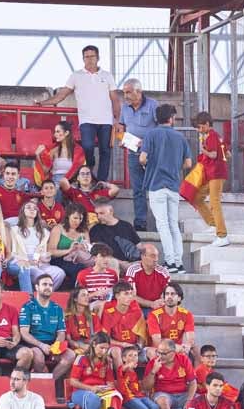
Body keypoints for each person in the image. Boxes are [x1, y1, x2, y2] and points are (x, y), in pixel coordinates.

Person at [35, 45, 120, 181]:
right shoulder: (76, 75)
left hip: (106, 121)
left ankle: (101, 182)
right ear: (83, 59)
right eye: (86, 57)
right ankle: (90, 169)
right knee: (87, 147)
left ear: (98, 58)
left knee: (105, 151)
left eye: (92, 56)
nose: (89, 59)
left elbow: (115, 99)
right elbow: (61, 95)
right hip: (86, 120)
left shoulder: (107, 75)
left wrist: (117, 120)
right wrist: (43, 102)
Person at [139, 103, 190, 272]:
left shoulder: (151, 134)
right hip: (174, 185)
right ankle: (178, 262)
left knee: (163, 225)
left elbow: (143, 158)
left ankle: (170, 262)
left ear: (157, 118)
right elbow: (188, 162)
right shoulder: (180, 138)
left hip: (156, 184)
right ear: (171, 118)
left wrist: (150, 164)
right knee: (173, 224)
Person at [117, 78, 158, 231]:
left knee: (156, 188)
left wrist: (145, 141)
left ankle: (160, 221)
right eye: (124, 92)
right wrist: (121, 138)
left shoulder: (153, 104)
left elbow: (161, 128)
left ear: (139, 92)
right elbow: (121, 126)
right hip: (133, 152)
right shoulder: (125, 108)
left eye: (128, 92)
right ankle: (140, 223)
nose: (125, 96)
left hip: (151, 153)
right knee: (138, 189)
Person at [18, 273, 75, 381]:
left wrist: (56, 346)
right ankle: (41, 384)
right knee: (38, 357)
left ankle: (49, 382)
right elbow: (24, 333)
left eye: (50, 285)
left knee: (70, 355)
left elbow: (61, 332)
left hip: (52, 345)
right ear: (37, 287)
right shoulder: (28, 307)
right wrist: (41, 345)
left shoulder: (57, 308)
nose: (48, 287)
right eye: (44, 284)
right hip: (33, 344)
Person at [189, 111, 229, 245]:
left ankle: (222, 235)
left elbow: (213, 154)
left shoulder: (211, 136)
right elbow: (227, 154)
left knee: (214, 202)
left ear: (207, 124)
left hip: (215, 173)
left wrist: (203, 150)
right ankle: (213, 224)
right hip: (214, 173)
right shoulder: (218, 136)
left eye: (201, 127)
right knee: (197, 197)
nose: (200, 130)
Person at [9, 199, 64, 292]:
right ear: (23, 211)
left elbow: (44, 252)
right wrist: (23, 260)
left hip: (39, 263)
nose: (32, 210)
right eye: (28, 207)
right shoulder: (14, 230)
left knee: (59, 273)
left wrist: (43, 257)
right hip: (22, 262)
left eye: (35, 208)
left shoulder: (44, 232)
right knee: (42, 276)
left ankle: (42, 295)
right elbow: (11, 251)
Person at [67, 332, 119, 409]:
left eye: (106, 349)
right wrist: (91, 388)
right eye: (101, 348)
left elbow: (110, 382)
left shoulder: (107, 361)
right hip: (80, 392)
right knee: (93, 398)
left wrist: (108, 387)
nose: (103, 351)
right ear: (94, 344)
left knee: (115, 398)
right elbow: (73, 381)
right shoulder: (81, 358)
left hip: (100, 391)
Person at [144, 338, 196, 409]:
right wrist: (153, 371)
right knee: (163, 401)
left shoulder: (183, 359)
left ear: (173, 352)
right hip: (163, 394)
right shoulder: (154, 363)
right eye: (158, 352)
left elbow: (192, 382)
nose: (160, 356)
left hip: (183, 394)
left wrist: (189, 400)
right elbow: (146, 388)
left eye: (164, 353)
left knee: (197, 401)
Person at [115, 345, 158, 409]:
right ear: (123, 358)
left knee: (155, 408)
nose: (134, 357)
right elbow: (123, 369)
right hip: (128, 398)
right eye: (130, 355)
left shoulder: (134, 372)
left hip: (139, 396)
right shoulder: (121, 368)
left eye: (135, 355)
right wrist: (129, 365)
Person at [88, 199, 141, 263]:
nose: (99, 217)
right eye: (97, 214)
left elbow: (138, 245)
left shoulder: (127, 226)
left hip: (132, 262)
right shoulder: (95, 229)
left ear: (111, 211)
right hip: (109, 263)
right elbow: (99, 253)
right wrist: (121, 263)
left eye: (102, 213)